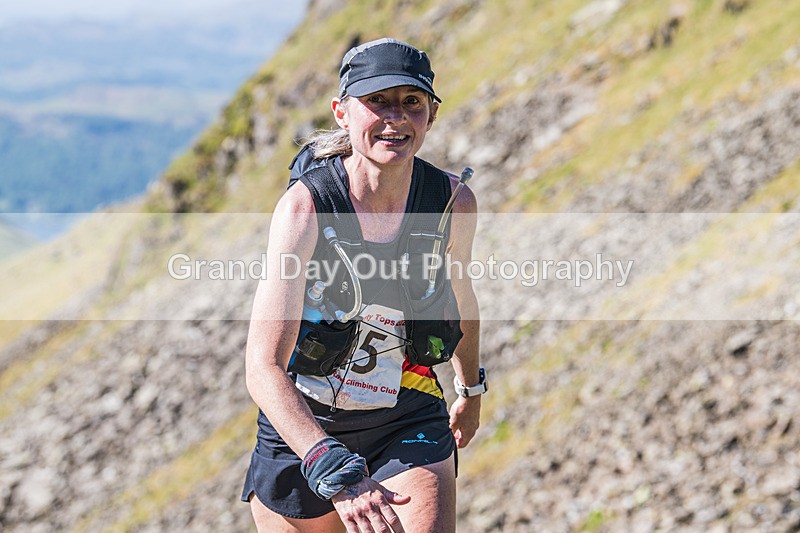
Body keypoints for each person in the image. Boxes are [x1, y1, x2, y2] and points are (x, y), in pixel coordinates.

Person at [242, 38, 485, 533]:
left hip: (407, 411)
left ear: (431, 116)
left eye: (411, 102)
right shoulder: (305, 209)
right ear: (342, 113)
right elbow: (263, 366)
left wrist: (471, 387)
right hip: (305, 426)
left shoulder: (451, 203)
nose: (395, 117)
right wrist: (329, 464)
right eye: (377, 101)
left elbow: (461, 299)